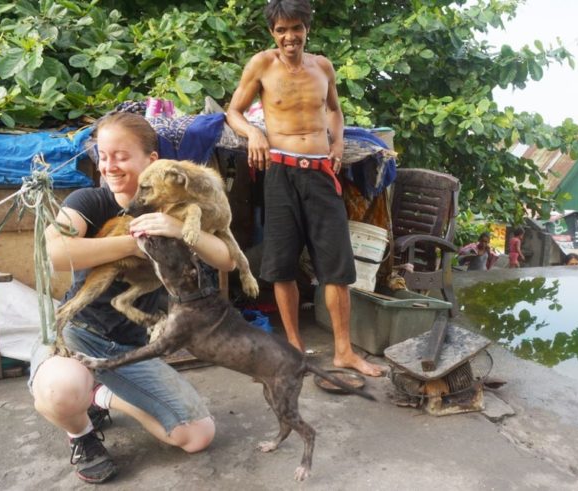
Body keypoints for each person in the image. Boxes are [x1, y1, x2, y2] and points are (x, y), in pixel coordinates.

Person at [29, 112, 236, 483]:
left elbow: (226, 258)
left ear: (152, 162)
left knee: (197, 435)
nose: (110, 166)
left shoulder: (171, 205)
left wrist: (177, 228)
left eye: (121, 156)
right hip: (81, 332)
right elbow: (56, 253)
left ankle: (103, 397)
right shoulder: (88, 200)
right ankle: (82, 436)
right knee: (60, 391)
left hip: (133, 347)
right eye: (103, 156)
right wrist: (135, 242)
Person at [225, 0, 383, 377]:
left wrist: (338, 141)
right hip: (280, 173)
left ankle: (343, 351)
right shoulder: (261, 65)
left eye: (295, 28)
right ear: (272, 33)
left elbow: (334, 109)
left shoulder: (322, 66)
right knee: (281, 266)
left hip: (321, 174)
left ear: (306, 28)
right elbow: (234, 111)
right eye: (281, 30)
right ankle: (295, 350)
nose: (289, 37)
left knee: (336, 266)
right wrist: (254, 133)